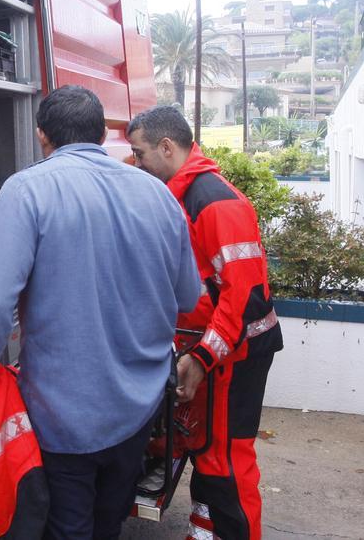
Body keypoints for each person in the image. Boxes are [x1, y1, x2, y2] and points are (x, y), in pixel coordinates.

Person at [0, 85, 201, 539]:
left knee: (67, 527)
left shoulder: (26, 191)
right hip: (138, 409)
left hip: (64, 417)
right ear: (102, 135)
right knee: (108, 524)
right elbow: (187, 297)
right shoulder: (160, 194)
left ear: (42, 135)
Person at [126, 107, 284, 540]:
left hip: (235, 355)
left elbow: (243, 298)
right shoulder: (184, 194)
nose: (135, 164)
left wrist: (201, 357)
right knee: (205, 450)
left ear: (166, 148)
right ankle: (206, 527)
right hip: (217, 351)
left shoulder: (215, 203)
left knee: (226, 461)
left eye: (139, 155)